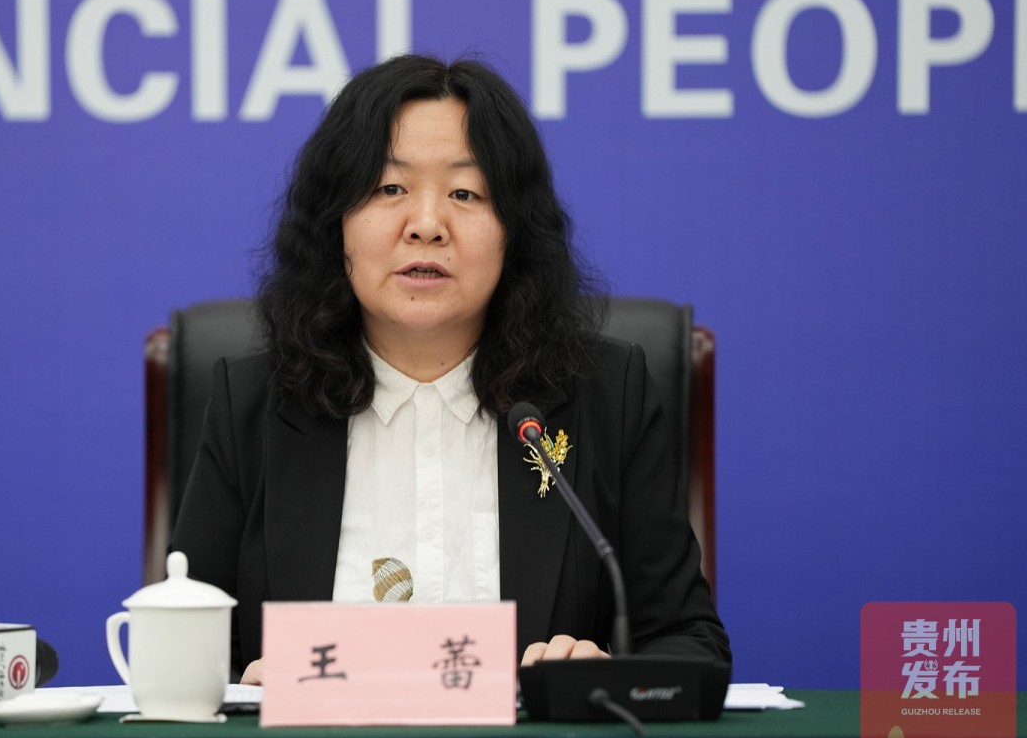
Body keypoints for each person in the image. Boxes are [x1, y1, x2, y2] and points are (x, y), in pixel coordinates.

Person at [170, 54, 730, 684]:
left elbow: (689, 643)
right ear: (336, 222)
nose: (427, 226)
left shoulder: (604, 396)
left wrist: (604, 677)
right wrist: (240, 687)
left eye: (466, 193)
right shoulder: (254, 404)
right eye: (390, 189)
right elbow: (183, 644)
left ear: (515, 230)